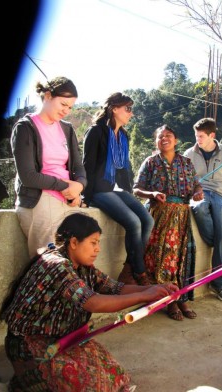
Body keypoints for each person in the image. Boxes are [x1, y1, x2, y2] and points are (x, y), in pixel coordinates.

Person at [0, 212, 178, 391]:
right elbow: (93, 302)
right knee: (91, 387)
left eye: (98, 243)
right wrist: (145, 295)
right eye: (93, 242)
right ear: (74, 242)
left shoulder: (84, 267)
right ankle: (23, 381)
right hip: (30, 345)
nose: (98, 249)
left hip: (64, 339)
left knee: (116, 377)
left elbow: (116, 288)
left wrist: (154, 290)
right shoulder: (57, 265)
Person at [133, 125, 204, 321]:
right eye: (160, 136)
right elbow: (137, 189)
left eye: (168, 136)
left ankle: (179, 297)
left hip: (181, 216)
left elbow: (196, 183)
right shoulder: (150, 162)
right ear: (156, 142)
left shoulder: (186, 163)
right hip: (158, 216)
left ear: (176, 140)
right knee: (160, 259)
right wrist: (152, 194)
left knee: (179, 258)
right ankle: (169, 301)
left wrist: (198, 192)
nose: (164, 139)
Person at [11, 76, 87, 258]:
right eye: (63, 104)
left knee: (73, 262)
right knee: (49, 265)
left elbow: (78, 166)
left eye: (70, 107)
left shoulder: (67, 129)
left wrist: (80, 186)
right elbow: (28, 176)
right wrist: (66, 187)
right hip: (39, 201)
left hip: (69, 200)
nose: (66, 111)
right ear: (47, 96)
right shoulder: (25, 128)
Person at [82, 92, 154, 286]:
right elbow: (87, 165)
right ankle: (139, 272)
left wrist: (128, 193)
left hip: (116, 189)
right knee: (133, 222)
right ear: (114, 109)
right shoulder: (96, 131)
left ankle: (128, 269)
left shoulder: (122, 135)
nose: (131, 113)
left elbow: (124, 168)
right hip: (98, 191)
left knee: (147, 220)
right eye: (127, 109)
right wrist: (85, 197)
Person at [183, 117, 222, 303]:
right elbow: (185, 177)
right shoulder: (189, 153)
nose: (197, 139)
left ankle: (219, 285)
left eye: (201, 136)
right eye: (196, 135)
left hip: (220, 194)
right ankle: (217, 245)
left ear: (212, 135)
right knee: (199, 209)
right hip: (199, 193)